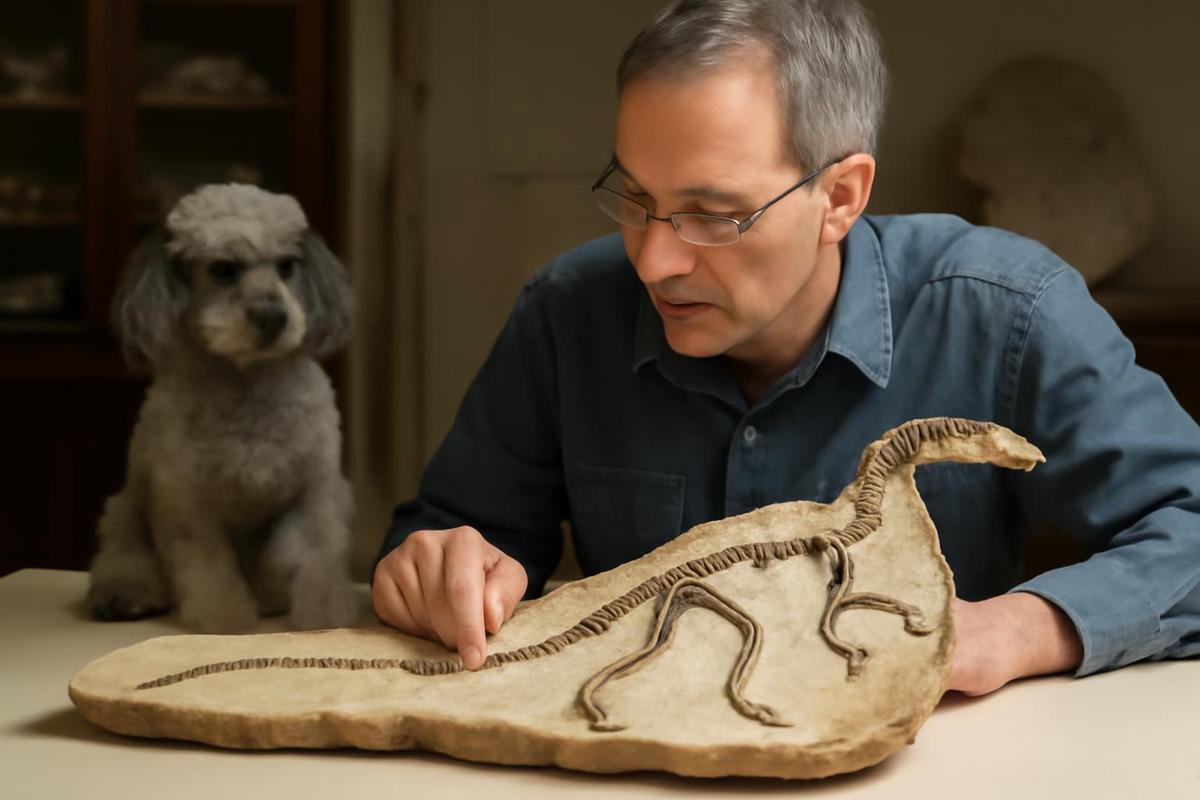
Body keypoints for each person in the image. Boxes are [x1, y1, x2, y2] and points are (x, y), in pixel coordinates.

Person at [372, 0, 1200, 696]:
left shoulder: (1007, 313)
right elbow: (455, 534)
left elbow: (1188, 523)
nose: (654, 262)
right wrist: (439, 571)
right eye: (634, 198)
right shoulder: (568, 312)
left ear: (841, 196)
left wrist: (1015, 631)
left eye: (712, 215)